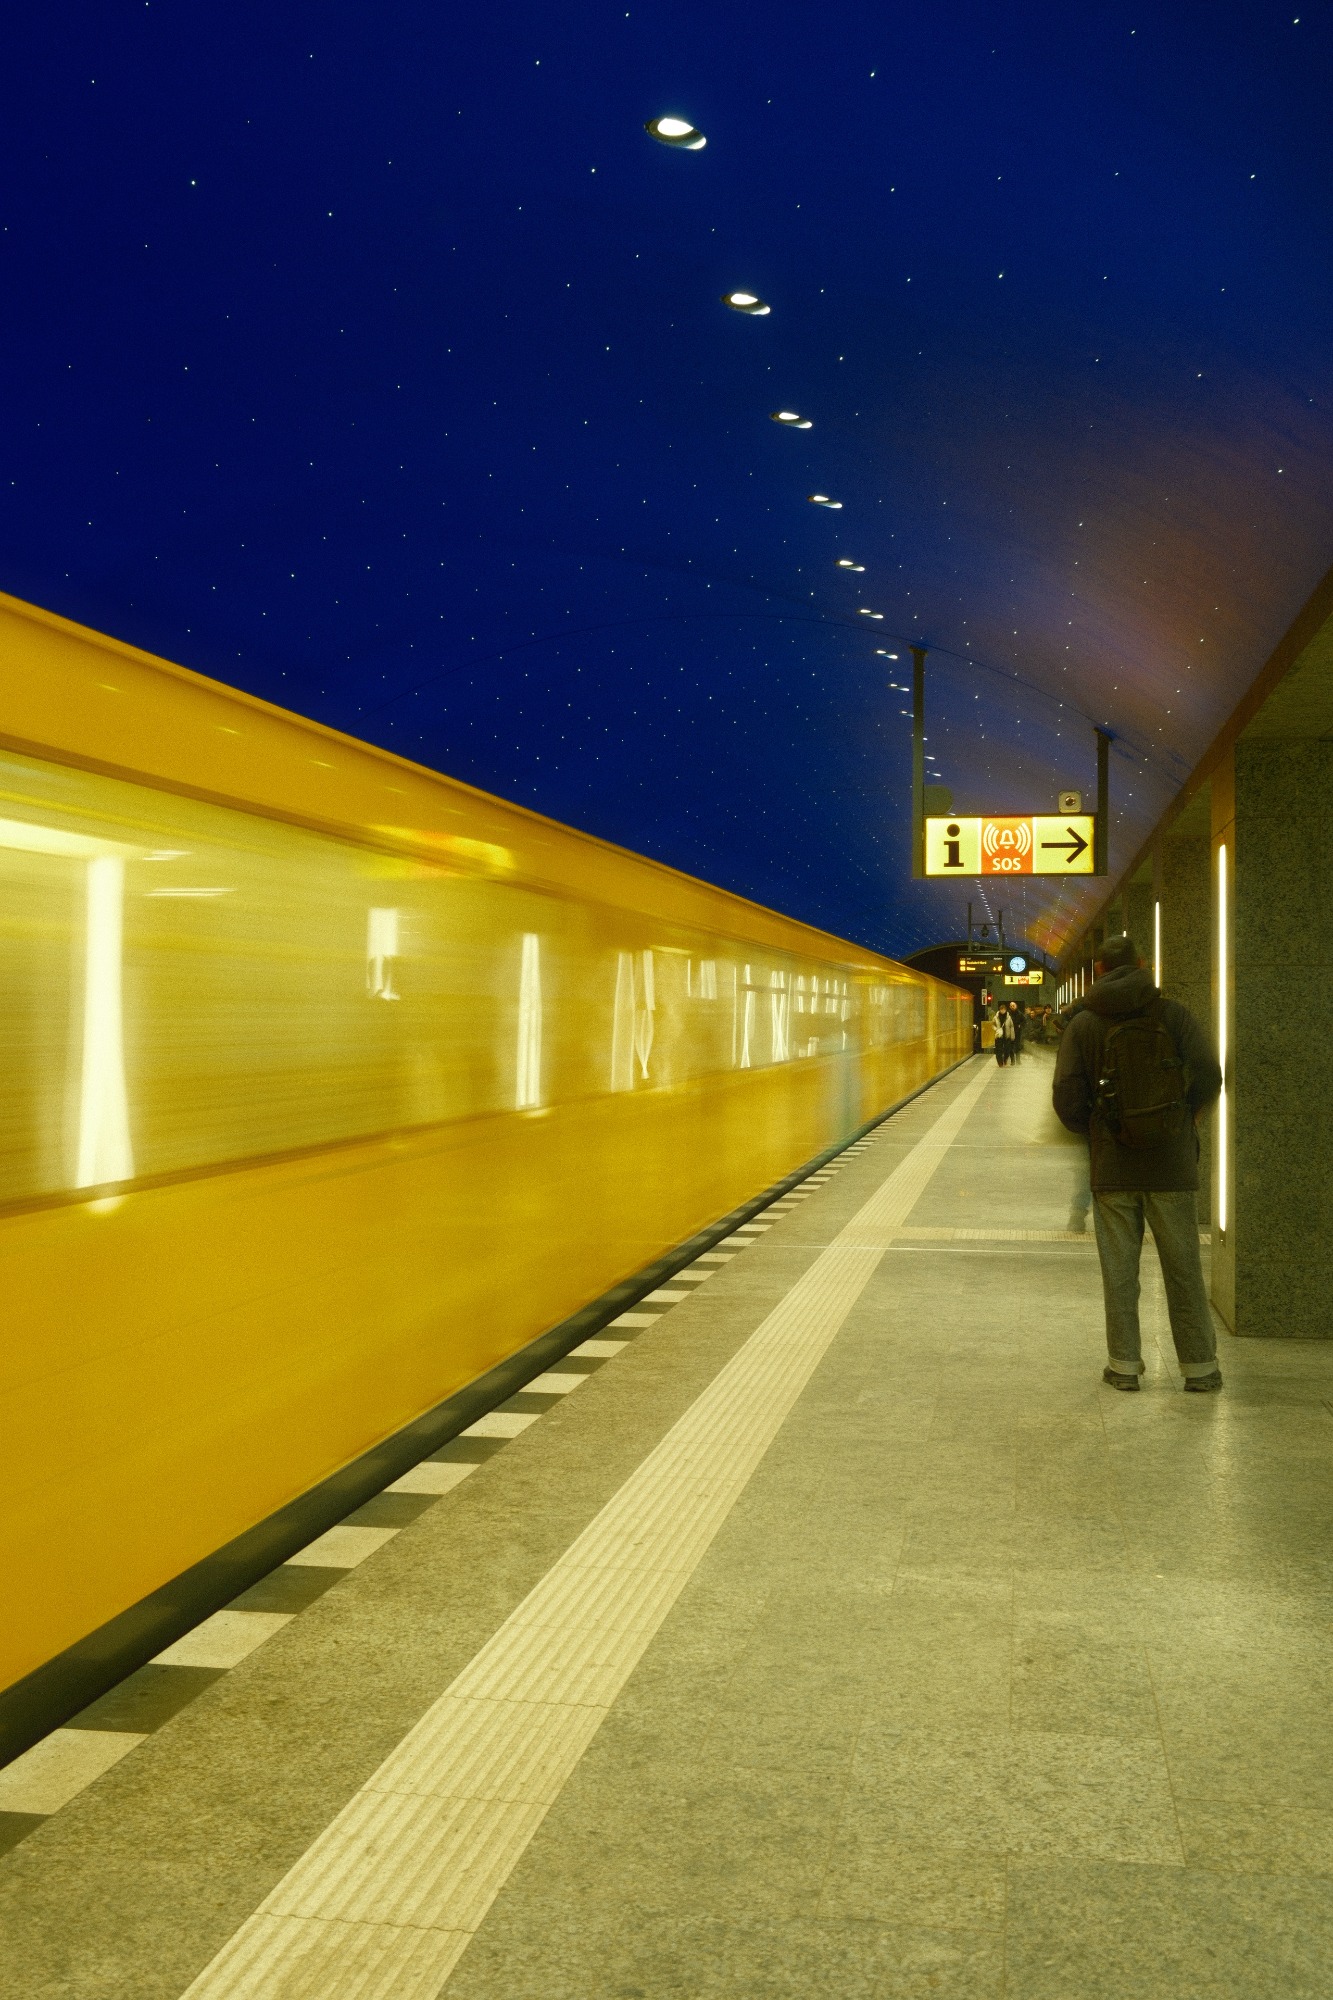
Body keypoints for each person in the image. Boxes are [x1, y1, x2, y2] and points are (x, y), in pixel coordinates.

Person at [1053, 933, 1223, 1392]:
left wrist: (1099, 1130)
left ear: (1099, 972)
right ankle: (1200, 1369)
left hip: (1113, 1168)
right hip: (1171, 1164)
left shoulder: (1084, 1024)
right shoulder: (1173, 1014)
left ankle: (1124, 1366)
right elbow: (1209, 1073)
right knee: (1184, 1268)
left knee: (1119, 1272)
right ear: (1143, 964)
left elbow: (1067, 1097)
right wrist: (1185, 1117)